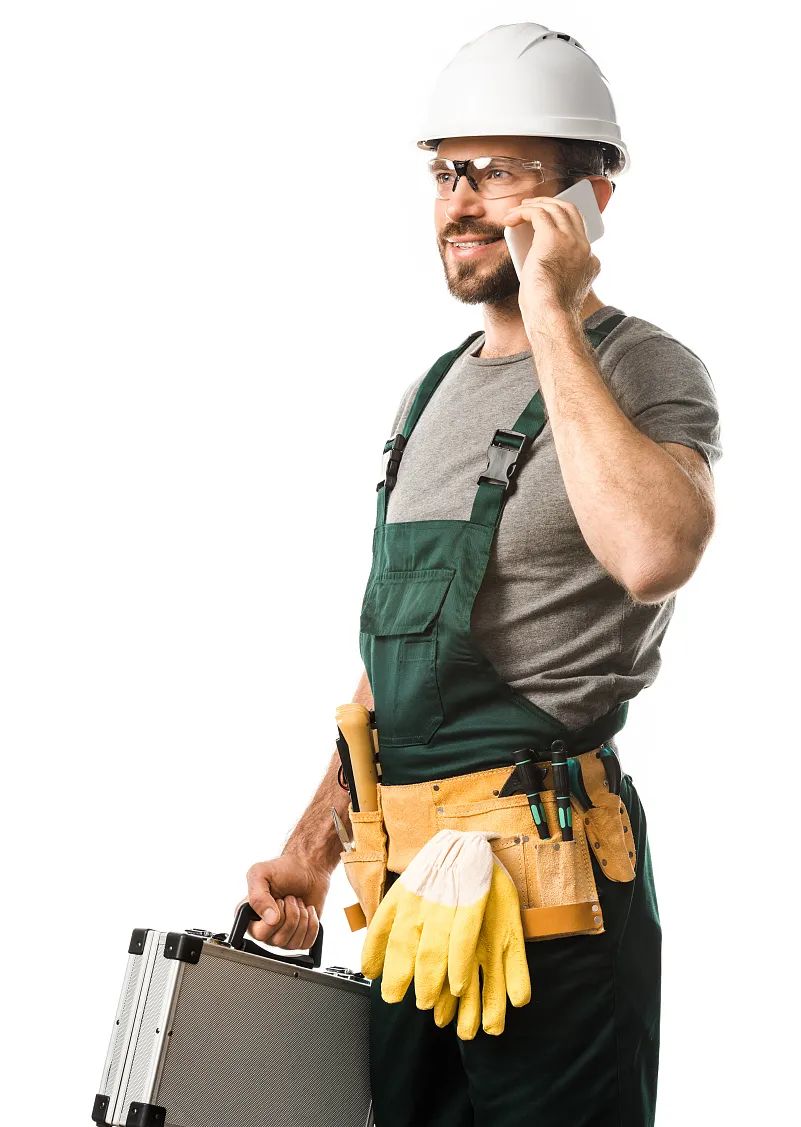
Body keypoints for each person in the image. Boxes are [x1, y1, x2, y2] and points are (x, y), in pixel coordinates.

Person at [243, 22, 722, 1127]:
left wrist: (552, 307)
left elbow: (655, 552)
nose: (459, 203)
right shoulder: (432, 390)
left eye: (497, 172)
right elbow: (394, 667)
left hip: (551, 895)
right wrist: (312, 850)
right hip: (411, 894)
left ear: (591, 198)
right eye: (445, 172)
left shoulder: (643, 366)